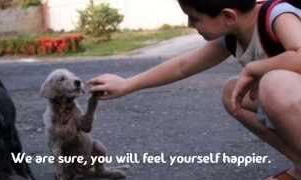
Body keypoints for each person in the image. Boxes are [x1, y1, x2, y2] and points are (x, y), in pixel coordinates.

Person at [87, 0, 301, 179]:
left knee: (274, 84)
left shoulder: (277, 15)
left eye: (194, 17)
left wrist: (255, 68)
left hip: (286, 90)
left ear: (228, 16)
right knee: (232, 91)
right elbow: (183, 66)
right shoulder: (233, 35)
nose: (189, 23)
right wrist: (127, 84)